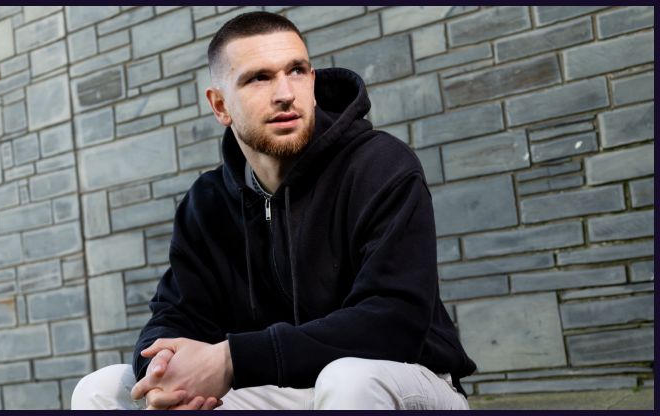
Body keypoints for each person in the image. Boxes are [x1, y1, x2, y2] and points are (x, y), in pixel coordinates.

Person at [72, 11, 476, 410]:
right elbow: (177, 313)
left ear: (312, 82)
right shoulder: (207, 202)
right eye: (259, 78)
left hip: (403, 376)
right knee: (102, 388)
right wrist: (161, 369)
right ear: (220, 105)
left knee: (348, 379)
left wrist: (231, 359)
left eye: (296, 71)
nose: (285, 93)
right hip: (279, 386)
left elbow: (393, 323)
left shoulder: (380, 166)